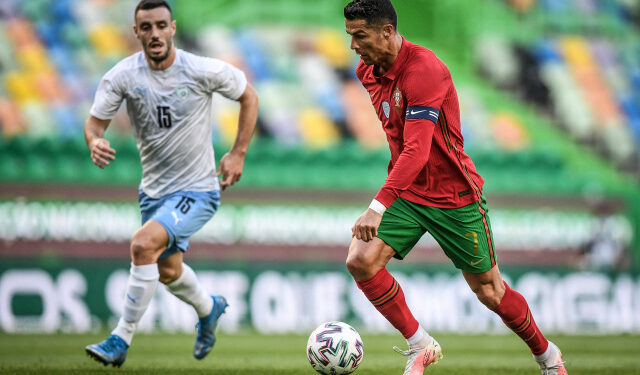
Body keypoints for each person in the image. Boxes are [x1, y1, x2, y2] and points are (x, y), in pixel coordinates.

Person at [343, 1, 567, 374]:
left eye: (360, 35)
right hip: (410, 193)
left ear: (387, 32)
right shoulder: (367, 71)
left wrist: (377, 205)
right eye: (350, 35)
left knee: (490, 292)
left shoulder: (424, 69)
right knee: (361, 260)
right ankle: (420, 346)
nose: (353, 45)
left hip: (454, 197)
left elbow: (417, 148)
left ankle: (548, 356)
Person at [83, 0, 258, 367]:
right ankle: (209, 309)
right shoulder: (122, 76)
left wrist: (238, 152)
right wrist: (94, 141)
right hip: (154, 192)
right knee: (167, 271)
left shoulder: (199, 69)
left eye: (161, 25)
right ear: (136, 32)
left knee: (142, 244)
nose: (155, 33)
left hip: (198, 188)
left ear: (173, 27)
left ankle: (120, 340)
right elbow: (95, 123)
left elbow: (248, 95)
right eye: (146, 27)